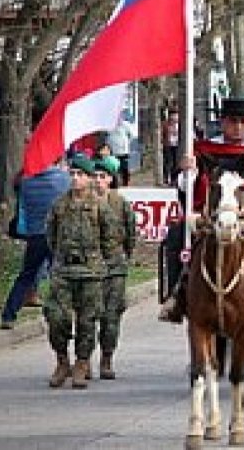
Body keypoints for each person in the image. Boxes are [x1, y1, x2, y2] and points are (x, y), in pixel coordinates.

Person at [158, 98, 244, 327]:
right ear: (223, 122)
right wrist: (188, 172)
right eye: (233, 121)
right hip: (210, 214)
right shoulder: (203, 150)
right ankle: (175, 295)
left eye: (243, 121)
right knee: (176, 234)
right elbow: (185, 186)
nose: (238, 127)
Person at [43, 155, 117, 388]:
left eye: (80, 174)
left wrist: (101, 264)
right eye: (72, 174)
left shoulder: (99, 206)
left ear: (88, 178)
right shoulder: (59, 205)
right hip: (64, 271)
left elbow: (110, 238)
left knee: (87, 321)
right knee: (56, 317)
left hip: (90, 272)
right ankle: (62, 360)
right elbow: (51, 236)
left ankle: (82, 363)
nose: (75, 179)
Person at [0, 159, 71, 329]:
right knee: (59, 274)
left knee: (27, 274)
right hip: (56, 233)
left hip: (35, 234)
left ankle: (9, 314)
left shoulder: (27, 182)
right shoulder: (62, 179)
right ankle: (60, 313)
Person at [92, 156, 136, 380]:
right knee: (87, 316)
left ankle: (107, 357)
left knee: (111, 317)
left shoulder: (120, 203)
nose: (98, 181)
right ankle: (83, 359)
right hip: (89, 268)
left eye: (102, 176)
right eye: (94, 176)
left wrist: (123, 257)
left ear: (110, 179)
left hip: (115, 267)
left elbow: (130, 234)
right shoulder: (83, 202)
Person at [106, 117, 134, 186]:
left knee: (124, 167)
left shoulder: (125, 124)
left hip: (123, 151)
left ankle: (126, 182)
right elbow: (107, 135)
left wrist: (126, 143)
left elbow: (132, 135)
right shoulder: (109, 125)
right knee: (113, 167)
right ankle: (113, 183)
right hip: (112, 150)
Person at [162, 109, 180, 185]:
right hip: (168, 145)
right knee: (168, 162)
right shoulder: (166, 124)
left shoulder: (180, 124)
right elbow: (162, 134)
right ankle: (166, 178)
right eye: (172, 116)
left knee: (176, 163)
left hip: (177, 145)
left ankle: (174, 179)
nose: (174, 118)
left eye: (176, 116)